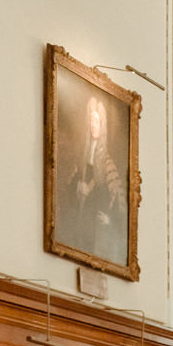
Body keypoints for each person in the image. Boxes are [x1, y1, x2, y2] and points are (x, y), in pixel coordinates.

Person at [60, 92, 127, 262]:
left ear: (102, 125)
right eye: (91, 121)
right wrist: (77, 187)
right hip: (80, 222)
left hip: (97, 228)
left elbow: (118, 200)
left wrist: (109, 218)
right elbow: (68, 190)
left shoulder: (107, 163)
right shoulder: (82, 159)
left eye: (97, 122)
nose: (93, 125)